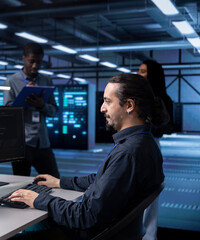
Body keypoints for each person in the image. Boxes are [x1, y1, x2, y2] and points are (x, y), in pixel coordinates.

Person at [9, 73, 165, 239]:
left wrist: (39, 199)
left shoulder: (128, 153)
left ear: (129, 105)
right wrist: (60, 182)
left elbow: (85, 216)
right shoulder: (144, 143)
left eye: (108, 101)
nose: (102, 108)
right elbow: (102, 179)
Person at [3, 42, 60, 178]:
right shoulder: (11, 81)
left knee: (55, 181)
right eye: (31, 61)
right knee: (21, 184)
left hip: (42, 142)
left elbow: (53, 111)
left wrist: (41, 105)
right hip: (20, 145)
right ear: (23, 59)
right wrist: (25, 98)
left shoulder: (46, 81)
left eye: (39, 62)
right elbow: (7, 113)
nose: (35, 66)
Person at [138, 59, 174, 240]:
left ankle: (149, 236)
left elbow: (165, 127)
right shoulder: (138, 96)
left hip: (149, 147)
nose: (138, 74)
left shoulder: (160, 99)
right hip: (136, 146)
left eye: (143, 71)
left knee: (149, 198)